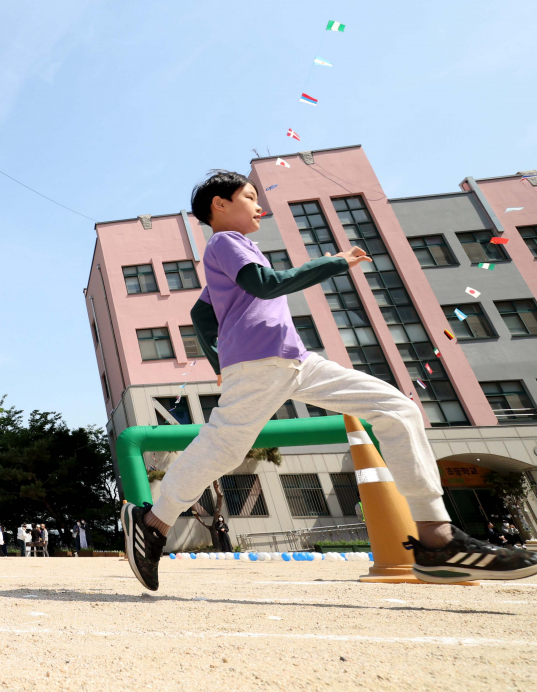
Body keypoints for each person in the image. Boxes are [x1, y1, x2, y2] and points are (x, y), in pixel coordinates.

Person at [122, 170, 537, 589]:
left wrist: (218, 361)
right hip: (260, 363)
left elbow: (202, 314)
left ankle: (437, 539)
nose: (259, 204)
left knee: (397, 409)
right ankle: (153, 523)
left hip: (295, 361)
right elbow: (266, 286)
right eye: (250, 196)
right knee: (223, 449)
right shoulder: (224, 243)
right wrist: (335, 262)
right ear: (220, 205)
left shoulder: (239, 249)